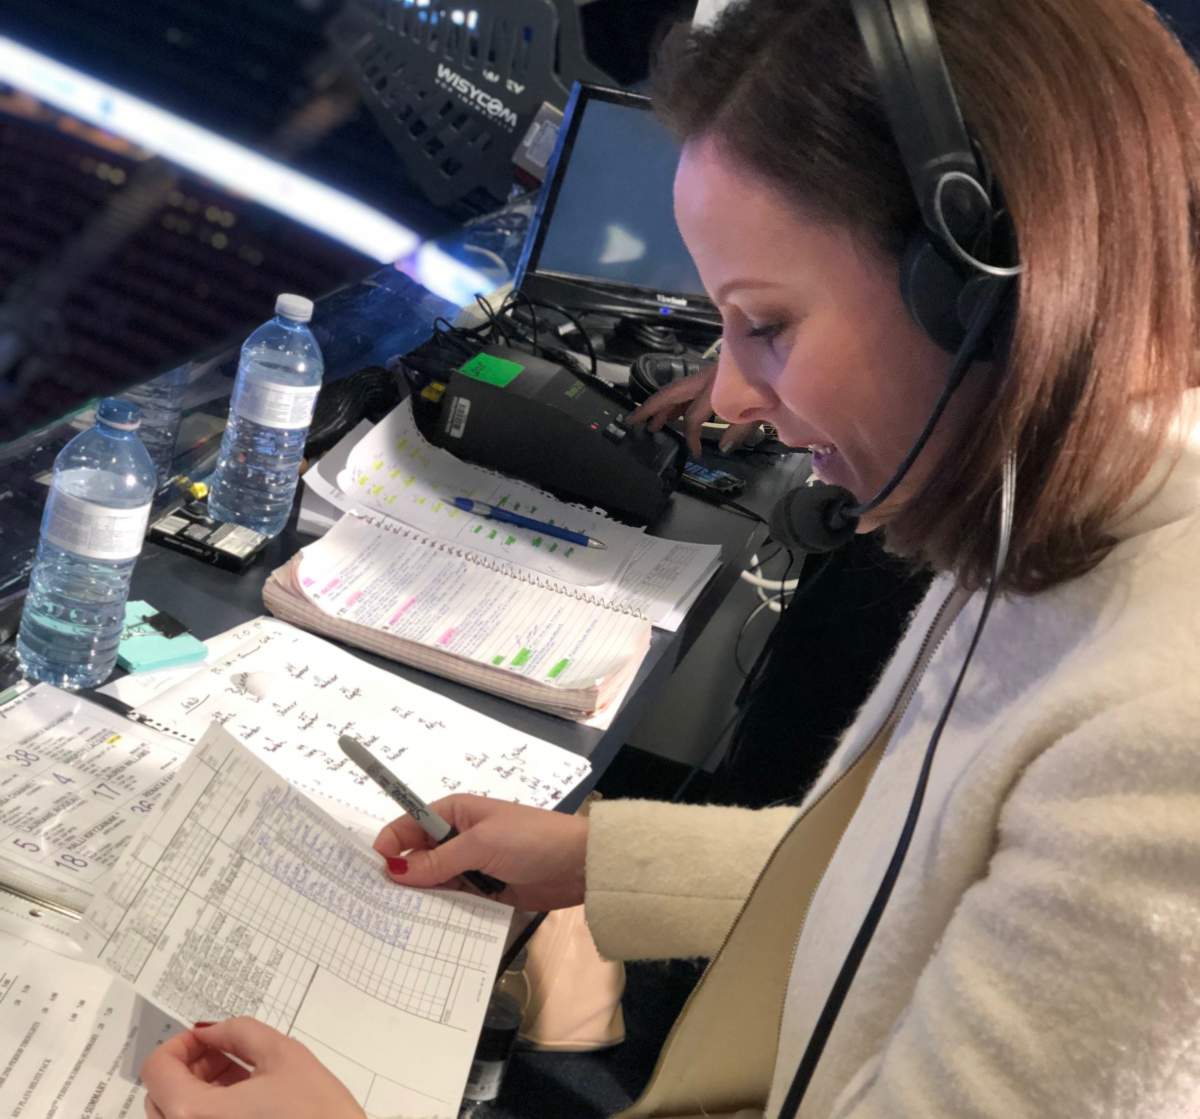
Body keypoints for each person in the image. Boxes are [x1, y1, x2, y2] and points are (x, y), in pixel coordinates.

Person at [141, 0, 1200, 1116]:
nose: (735, 394)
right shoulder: (1042, 509)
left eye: (769, 323)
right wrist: (592, 860)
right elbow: (918, 882)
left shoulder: (1162, 743)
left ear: (987, 293)